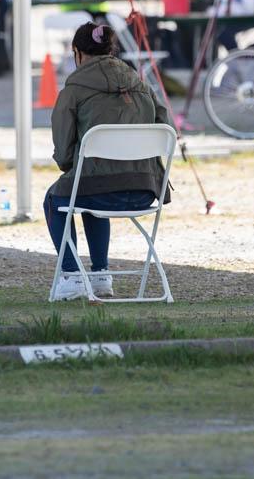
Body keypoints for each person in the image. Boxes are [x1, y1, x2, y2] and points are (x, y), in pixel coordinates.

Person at [45, 21, 173, 301]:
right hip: (146, 190)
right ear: (111, 51)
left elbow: (65, 156)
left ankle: (71, 274)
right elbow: (166, 131)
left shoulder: (73, 91)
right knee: (89, 190)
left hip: (97, 192)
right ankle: (101, 273)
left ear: (77, 53)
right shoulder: (142, 86)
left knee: (58, 198)